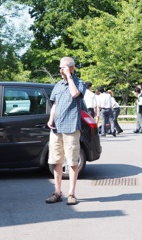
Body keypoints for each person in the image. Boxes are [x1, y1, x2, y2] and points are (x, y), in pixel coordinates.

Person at [45, 56, 86, 205]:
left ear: (72, 68)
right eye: (60, 68)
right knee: (56, 161)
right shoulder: (57, 85)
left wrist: (69, 76)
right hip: (56, 128)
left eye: (63, 67)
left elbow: (75, 94)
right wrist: (51, 118)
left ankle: (71, 194)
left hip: (71, 128)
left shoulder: (79, 83)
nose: (60, 70)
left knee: (72, 162)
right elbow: (55, 104)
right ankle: (57, 192)